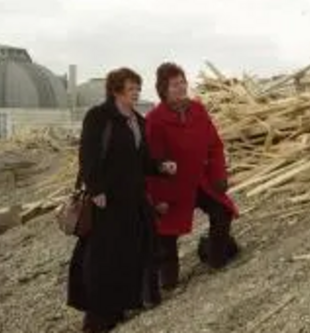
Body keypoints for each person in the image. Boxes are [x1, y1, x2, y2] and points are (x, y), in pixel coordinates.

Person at [67, 67, 176, 333]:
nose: (136, 94)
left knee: (135, 252)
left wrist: (161, 166)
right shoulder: (99, 117)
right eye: (131, 89)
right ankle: (98, 318)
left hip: (134, 200)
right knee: (103, 258)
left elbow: (142, 161)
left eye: (138, 89)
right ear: (116, 91)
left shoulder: (137, 120)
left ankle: (123, 305)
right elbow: (88, 156)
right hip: (107, 202)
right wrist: (96, 190)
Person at [145, 62, 240, 291]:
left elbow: (214, 145)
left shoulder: (198, 110)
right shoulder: (155, 119)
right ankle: (167, 282)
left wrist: (218, 175)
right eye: (174, 84)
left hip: (200, 180)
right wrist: (158, 199)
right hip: (171, 187)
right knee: (167, 235)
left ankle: (217, 260)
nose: (180, 88)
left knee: (222, 211)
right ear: (163, 89)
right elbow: (151, 162)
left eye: (182, 82)